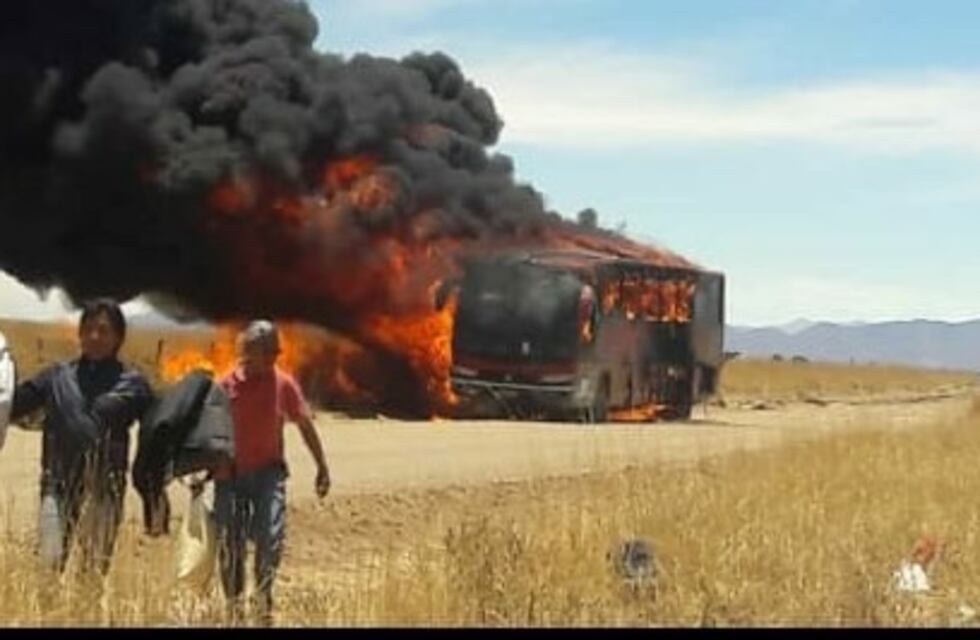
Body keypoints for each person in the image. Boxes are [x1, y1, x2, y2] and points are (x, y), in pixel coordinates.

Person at [9, 299, 154, 578]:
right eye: (87, 329)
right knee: (48, 567)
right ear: (79, 333)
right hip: (58, 487)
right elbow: (11, 404)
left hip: (104, 491)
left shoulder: (134, 385)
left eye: (103, 331)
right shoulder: (56, 377)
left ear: (118, 338)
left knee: (92, 574)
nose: (94, 337)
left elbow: (160, 427)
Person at [215, 320, 331, 624]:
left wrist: (322, 466)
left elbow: (305, 425)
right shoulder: (225, 386)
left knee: (270, 538)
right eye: (261, 352)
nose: (269, 359)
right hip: (230, 477)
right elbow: (208, 432)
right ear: (246, 352)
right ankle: (234, 607)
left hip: (268, 474)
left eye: (272, 353)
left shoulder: (283, 384)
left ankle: (264, 597)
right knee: (231, 544)